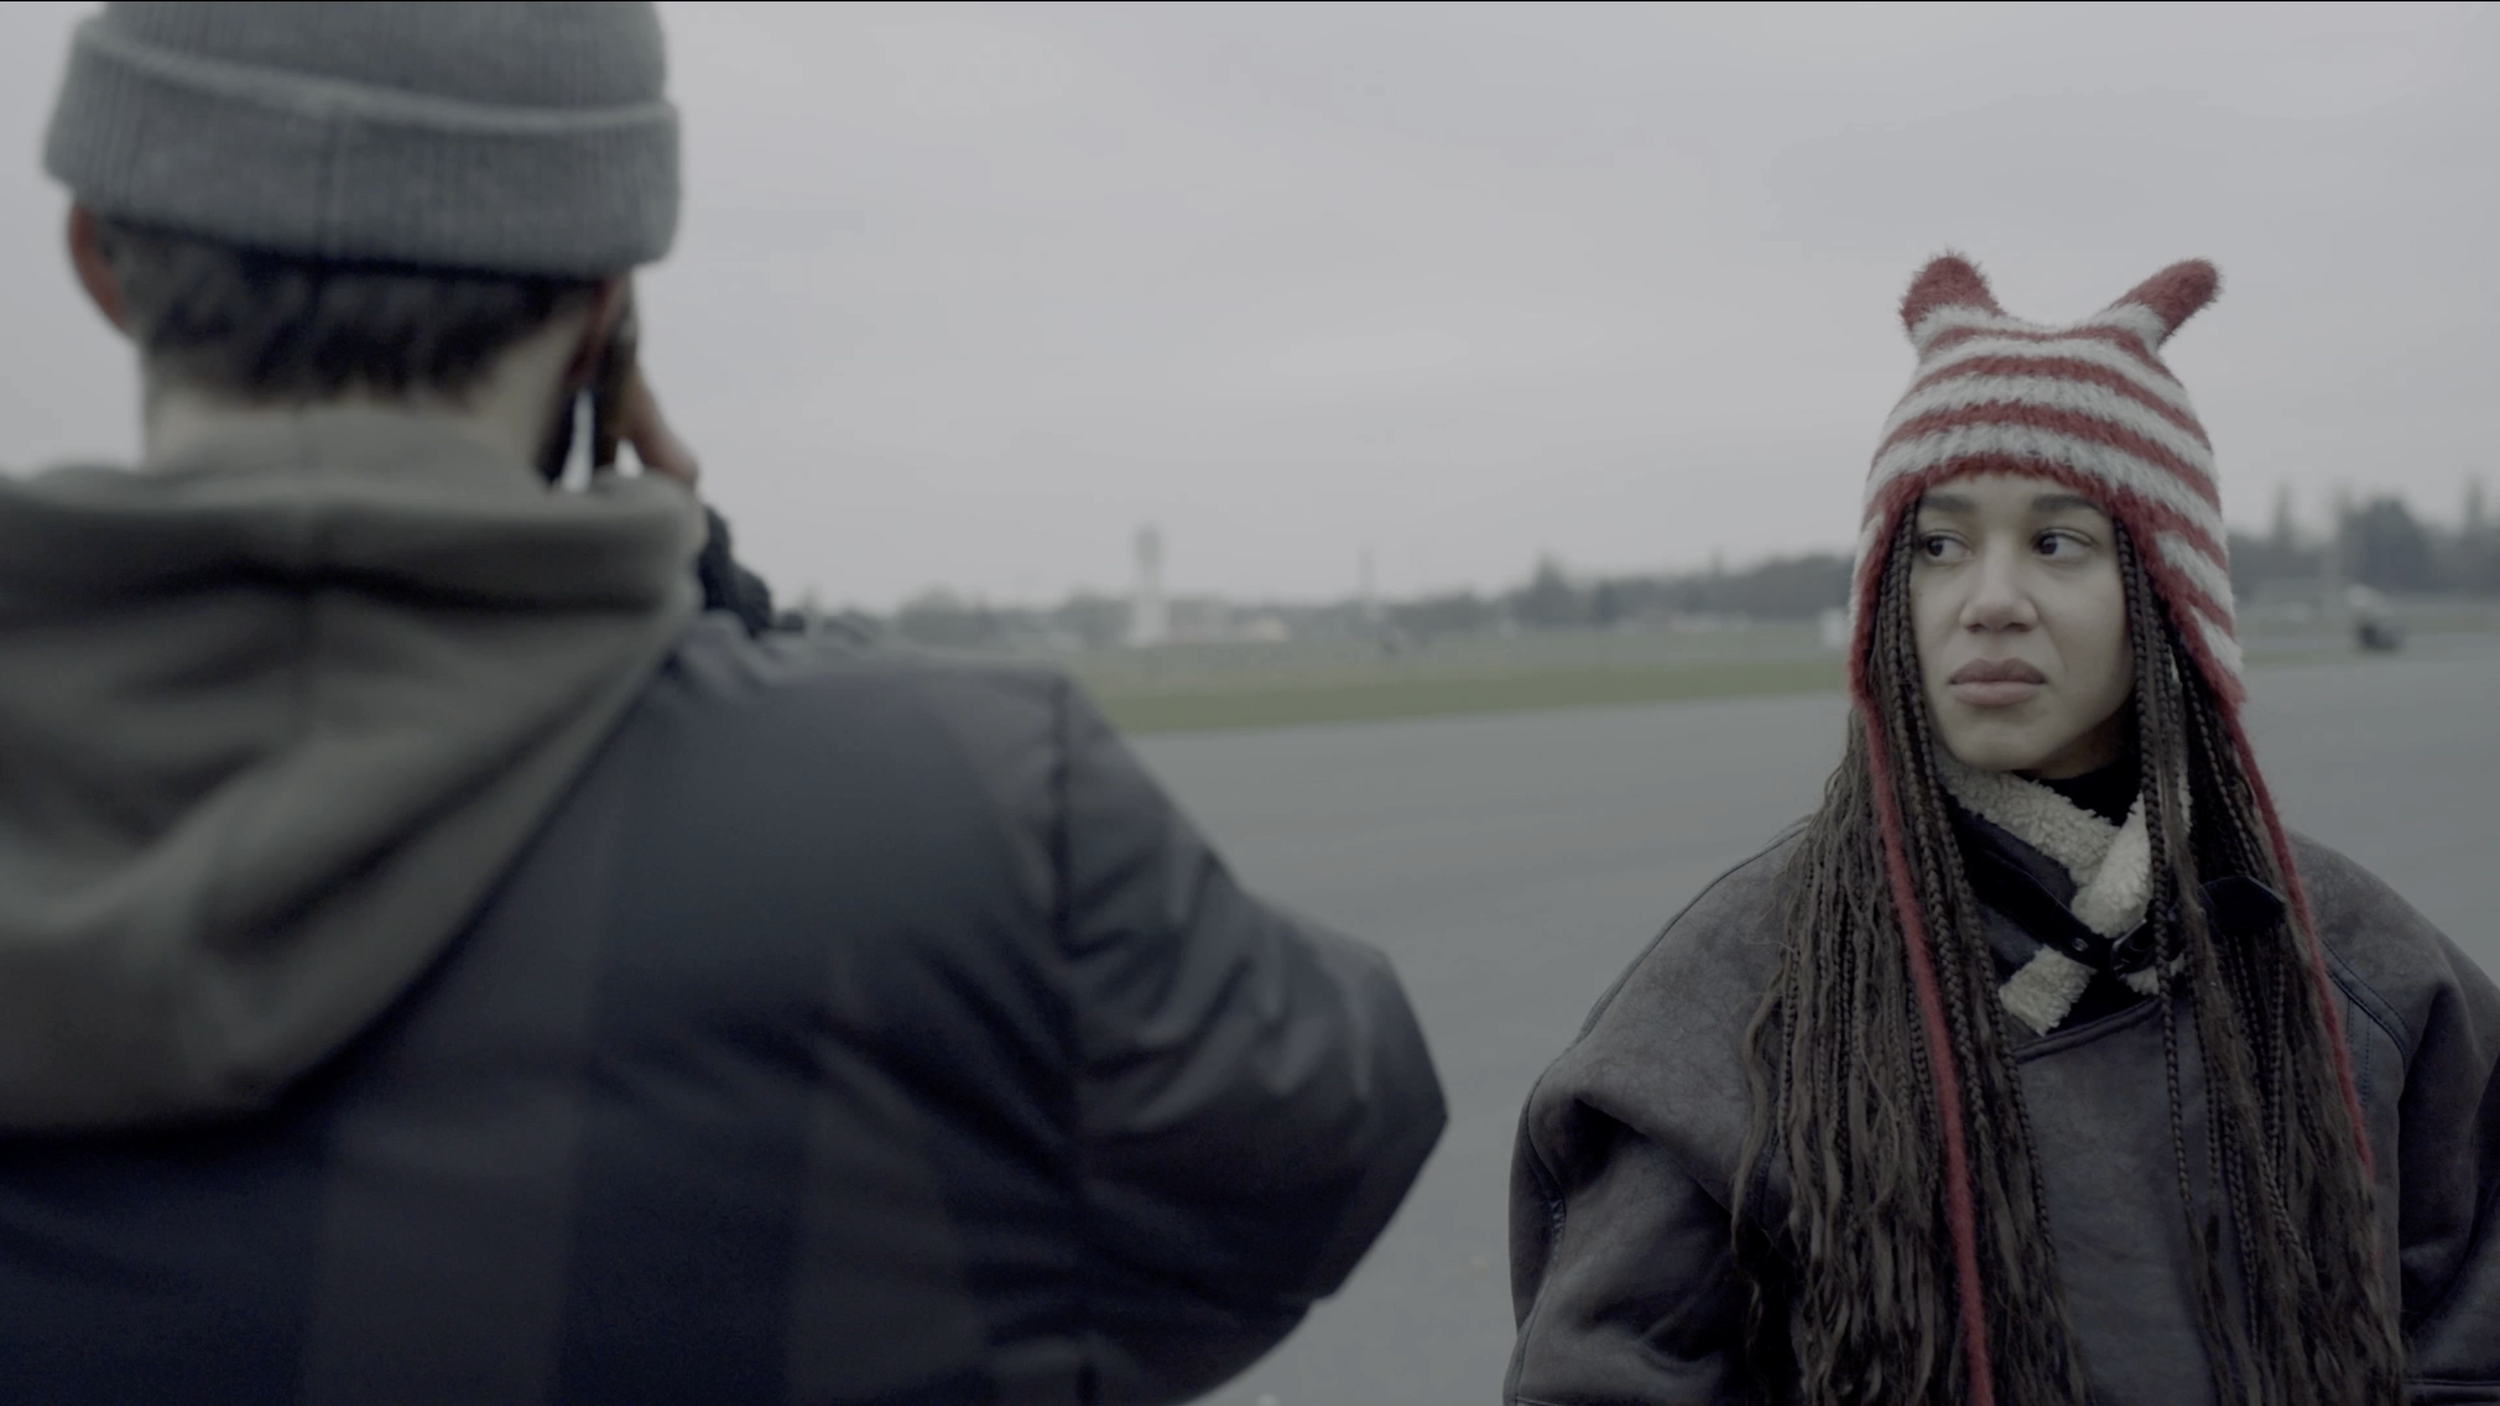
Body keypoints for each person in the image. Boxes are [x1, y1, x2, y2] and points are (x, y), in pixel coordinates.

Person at [0, 6, 1446, 1404]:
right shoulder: (957, 817)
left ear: (97, 262)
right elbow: (1334, 1129)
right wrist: (714, 613)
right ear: (601, 318)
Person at [1506, 254, 2499, 1404]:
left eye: (2056, 540)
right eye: (1938, 544)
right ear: (1887, 595)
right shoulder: (1734, 997)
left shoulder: (2363, 973)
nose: (1987, 596)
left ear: (2169, 594)